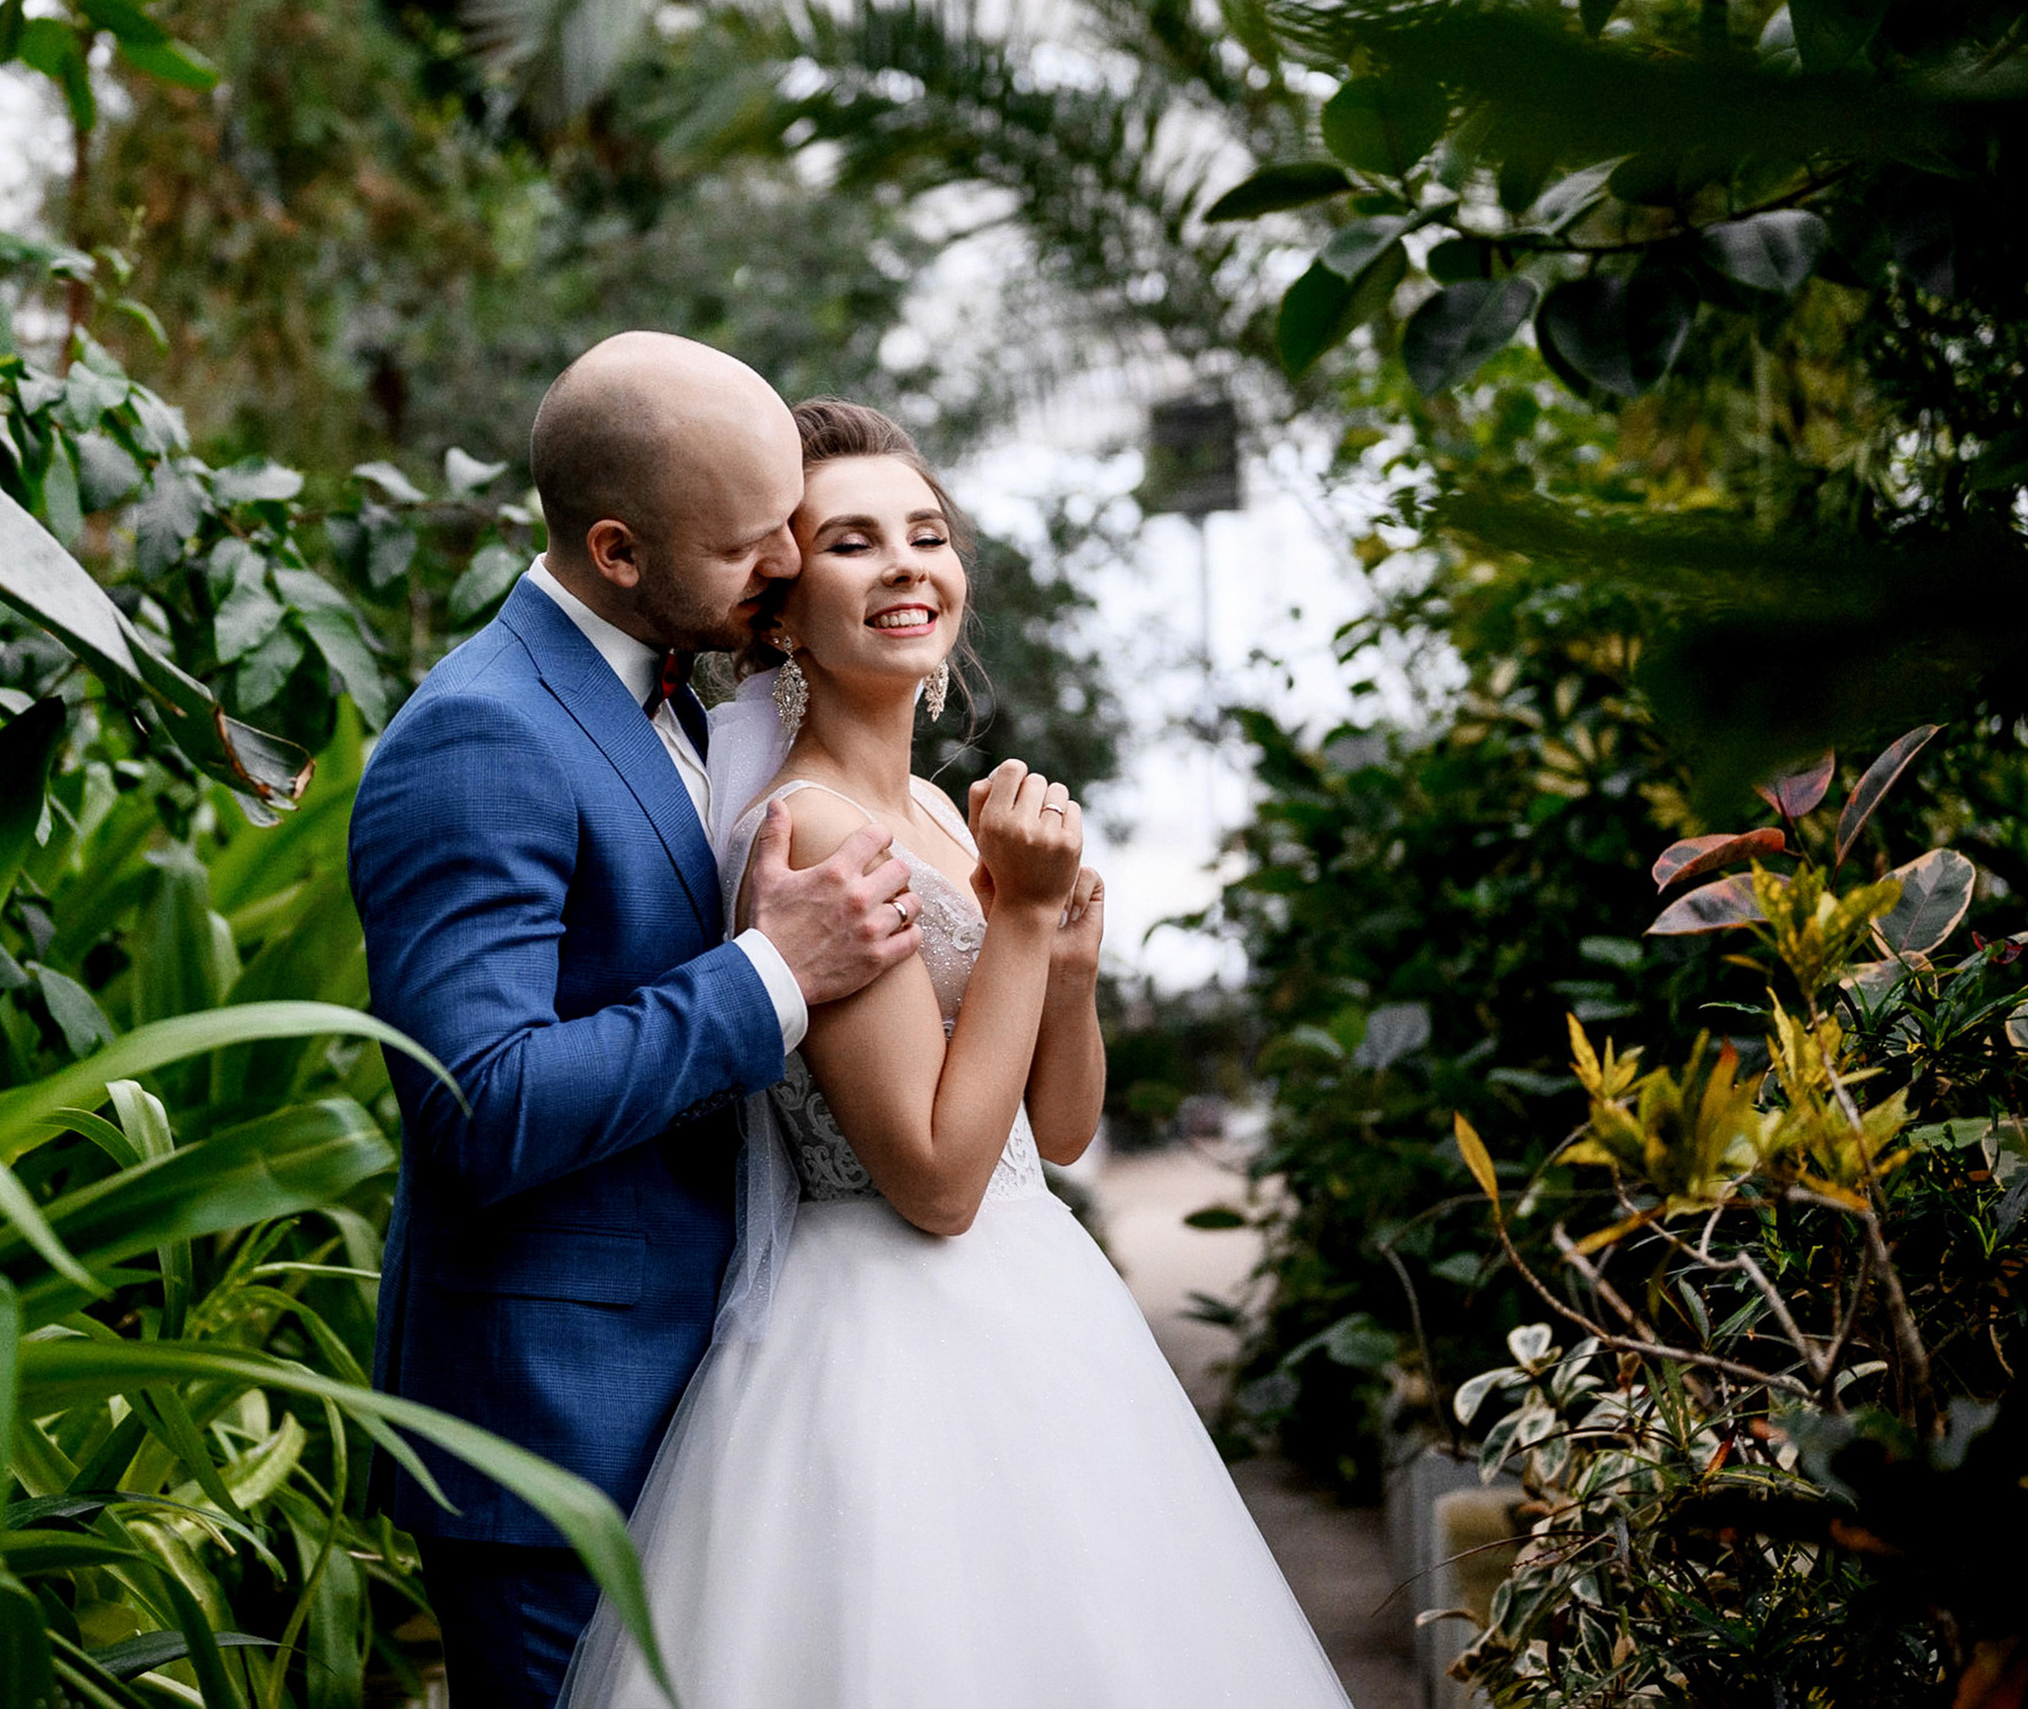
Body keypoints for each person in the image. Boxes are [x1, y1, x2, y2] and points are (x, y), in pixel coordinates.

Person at [559, 400, 1356, 1709]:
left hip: (1035, 1306)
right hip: (887, 1340)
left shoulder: (929, 807)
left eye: (928, 534)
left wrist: (1069, 962)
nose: (906, 565)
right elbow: (933, 1175)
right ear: (779, 600)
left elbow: (1056, 1132)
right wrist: (1026, 913)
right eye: (855, 541)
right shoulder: (814, 828)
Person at [347, 334, 923, 1707]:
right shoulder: (478, 733)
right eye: (749, 547)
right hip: (551, 1441)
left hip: (714, 1409)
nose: (786, 566)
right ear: (616, 550)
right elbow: (478, 1103)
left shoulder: (696, 703)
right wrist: (774, 976)